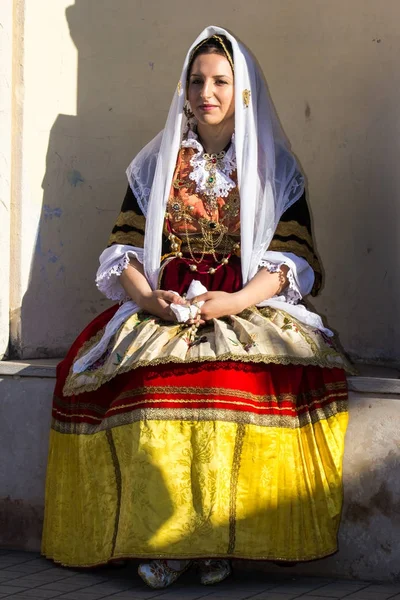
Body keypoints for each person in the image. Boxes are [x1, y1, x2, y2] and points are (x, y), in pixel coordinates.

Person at [42, 26, 353, 590]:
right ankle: (172, 542)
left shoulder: (276, 170)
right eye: (197, 81)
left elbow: (289, 258)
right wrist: (147, 299)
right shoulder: (155, 166)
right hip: (166, 305)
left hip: (243, 302)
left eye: (220, 81)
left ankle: (216, 541)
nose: (207, 91)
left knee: (230, 380)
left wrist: (234, 301)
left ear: (243, 90)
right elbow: (126, 250)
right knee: (144, 386)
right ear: (184, 89)